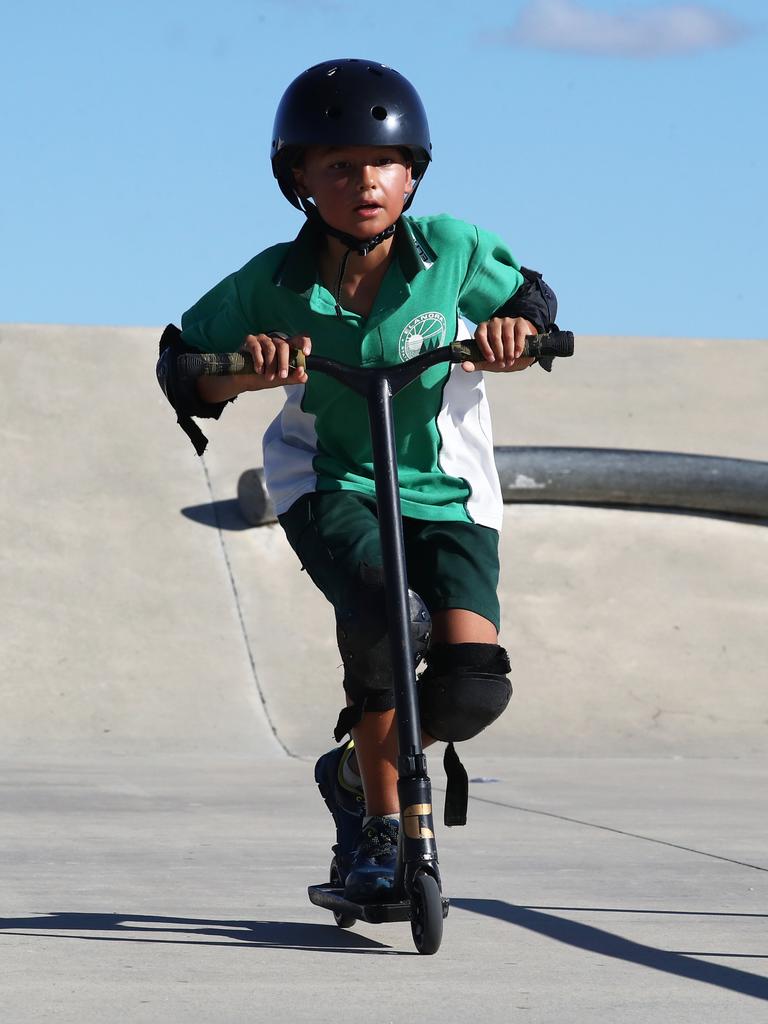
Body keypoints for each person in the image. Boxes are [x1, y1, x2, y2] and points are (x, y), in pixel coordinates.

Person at [164, 58, 559, 903]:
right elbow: (183, 363)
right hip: (331, 481)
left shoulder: (451, 249)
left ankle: (349, 773)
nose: (364, 182)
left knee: (471, 689)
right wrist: (241, 373)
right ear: (299, 179)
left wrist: (516, 334)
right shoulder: (273, 281)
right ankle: (382, 831)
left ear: (412, 172)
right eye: (337, 165)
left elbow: (529, 301)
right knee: (386, 616)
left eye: (382, 163)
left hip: (448, 488)